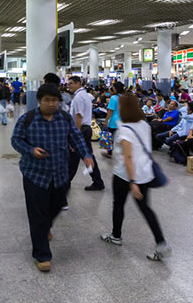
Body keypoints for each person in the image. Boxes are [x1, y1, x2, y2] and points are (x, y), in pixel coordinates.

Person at [11, 84, 94, 272]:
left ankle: (45, 226)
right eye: (47, 100)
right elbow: (15, 140)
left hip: (60, 173)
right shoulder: (28, 118)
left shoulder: (64, 118)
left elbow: (76, 137)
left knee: (57, 206)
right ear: (39, 101)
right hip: (35, 174)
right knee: (37, 215)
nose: (51, 104)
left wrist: (86, 155)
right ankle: (42, 255)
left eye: (54, 100)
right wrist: (31, 150)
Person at [100, 94, 171, 261]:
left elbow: (128, 157)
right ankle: (161, 243)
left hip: (125, 175)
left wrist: (132, 182)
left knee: (118, 204)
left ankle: (116, 236)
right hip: (145, 173)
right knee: (146, 209)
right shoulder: (144, 125)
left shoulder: (124, 129)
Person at [67, 76, 105, 192]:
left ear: (79, 83)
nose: (69, 86)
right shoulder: (85, 95)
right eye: (69, 84)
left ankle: (64, 184)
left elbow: (78, 117)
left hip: (81, 129)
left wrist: (75, 135)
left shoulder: (78, 97)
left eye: (71, 83)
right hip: (85, 129)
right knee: (88, 156)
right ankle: (98, 182)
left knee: (73, 158)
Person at [103, 81, 125, 158]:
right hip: (122, 120)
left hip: (113, 121)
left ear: (115, 88)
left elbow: (110, 111)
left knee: (109, 136)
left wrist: (106, 121)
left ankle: (109, 152)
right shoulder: (124, 97)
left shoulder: (113, 98)